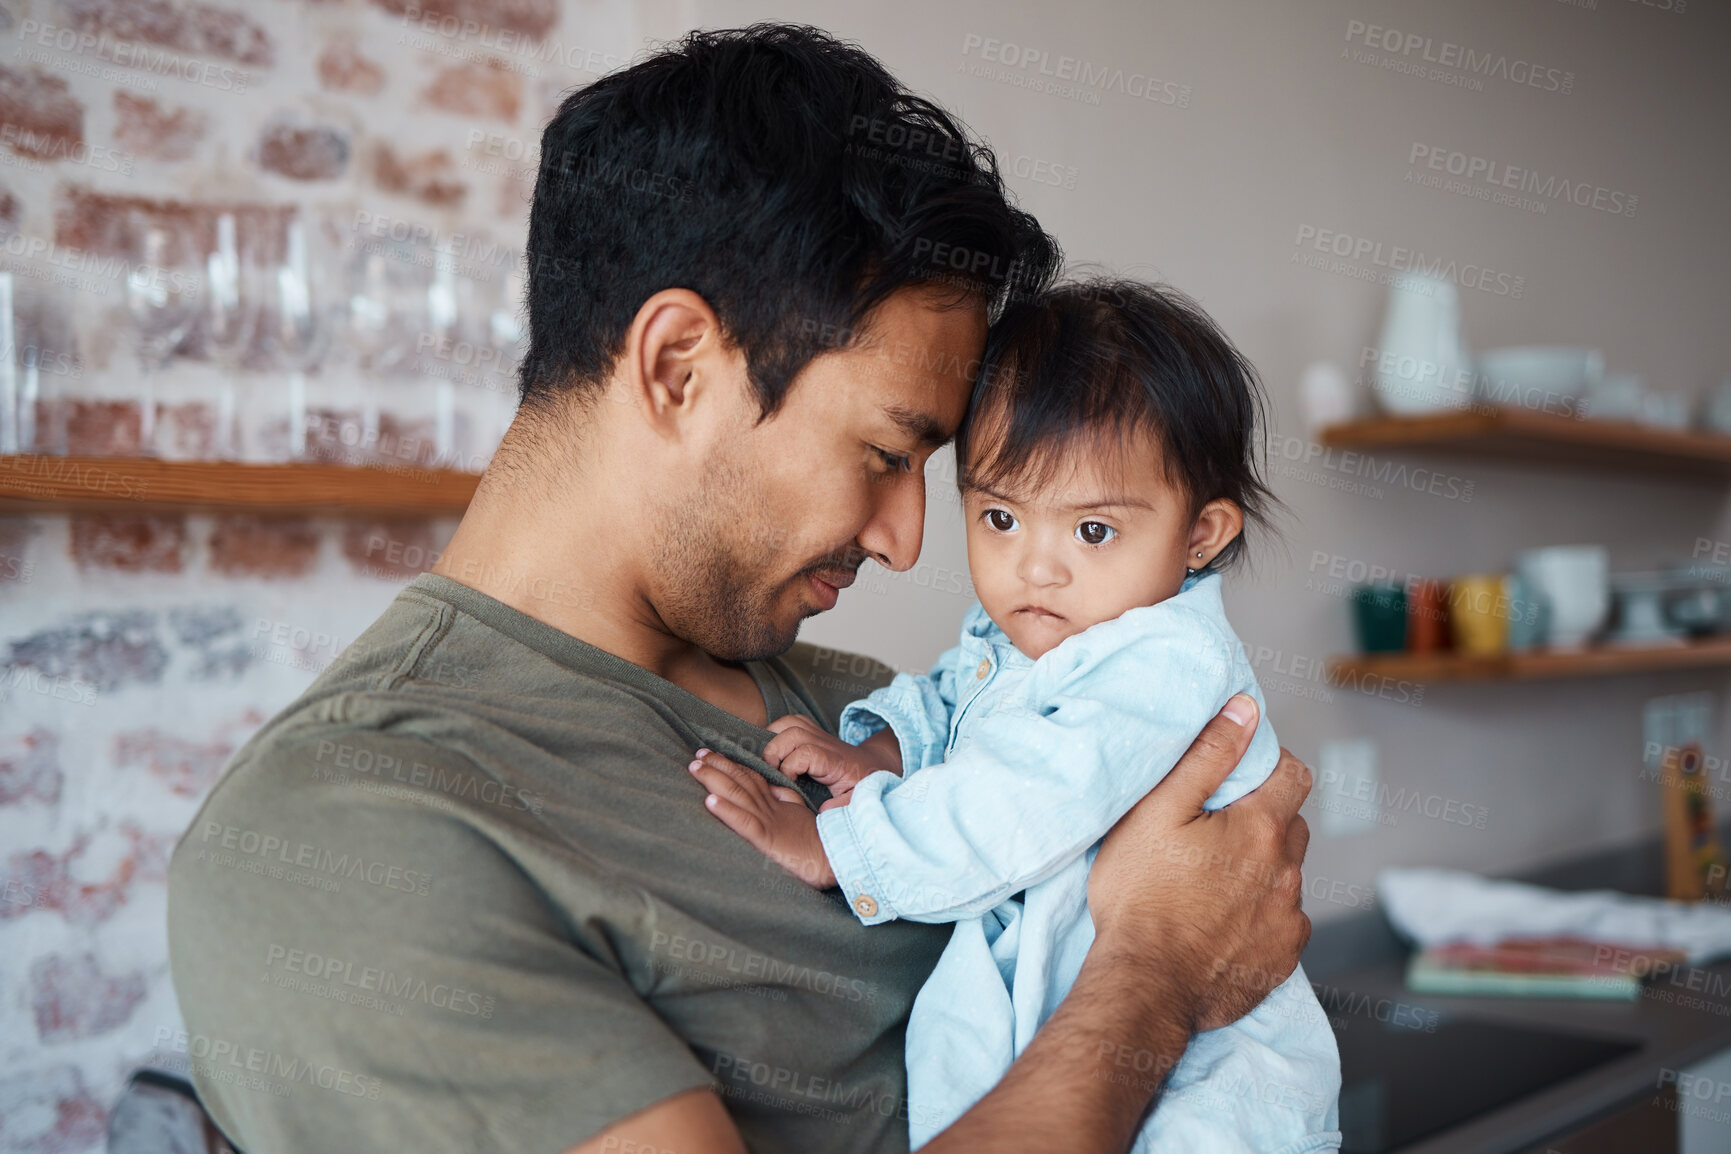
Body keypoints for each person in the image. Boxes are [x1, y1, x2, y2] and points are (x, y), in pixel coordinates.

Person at [166, 25, 1314, 1154]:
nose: (911, 541)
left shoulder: (875, 713)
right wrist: (1154, 979)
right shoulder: (354, 824)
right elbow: (1162, 939)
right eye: (884, 453)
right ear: (677, 368)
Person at [694, 278, 1342, 1153]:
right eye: (1000, 516)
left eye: (1093, 532)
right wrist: (884, 750)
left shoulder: (1162, 662)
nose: (1036, 568)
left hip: (1211, 1074)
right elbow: (963, 704)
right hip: (1083, 1012)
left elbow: (1035, 788)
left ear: (1200, 534)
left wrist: (845, 845)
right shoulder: (1032, 641)